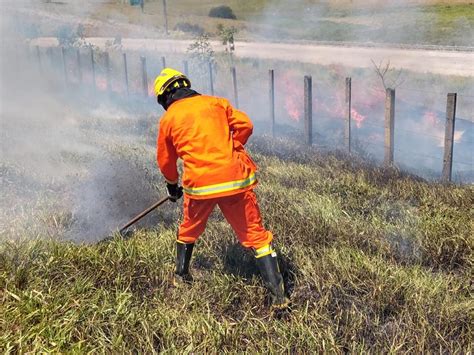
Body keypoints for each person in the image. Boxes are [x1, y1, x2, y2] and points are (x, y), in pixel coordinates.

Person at [154, 68, 289, 309]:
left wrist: (172, 186)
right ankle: (279, 297)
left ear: (165, 97)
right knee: (256, 235)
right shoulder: (216, 103)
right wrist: (232, 146)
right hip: (234, 180)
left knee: (189, 229)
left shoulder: (169, 118)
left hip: (200, 186)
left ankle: (181, 277)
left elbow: (166, 161)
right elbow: (246, 124)